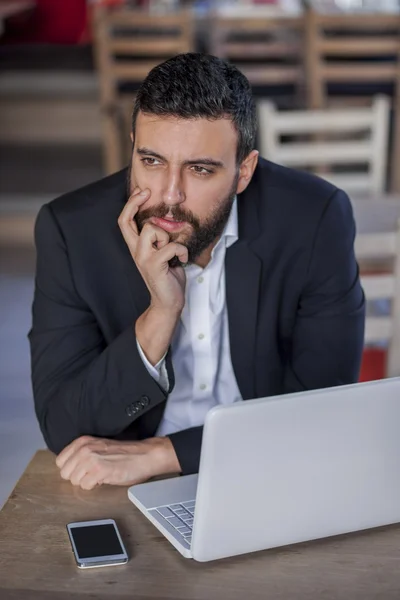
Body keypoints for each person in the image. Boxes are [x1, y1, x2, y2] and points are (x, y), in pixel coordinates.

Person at [28, 53, 365, 491]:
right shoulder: (71, 231)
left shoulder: (315, 219)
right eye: (151, 161)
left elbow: (322, 412)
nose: (170, 196)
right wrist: (159, 317)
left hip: (268, 475)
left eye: (200, 169)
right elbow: (63, 426)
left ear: (244, 171)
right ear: (132, 144)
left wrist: (164, 455)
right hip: (125, 488)